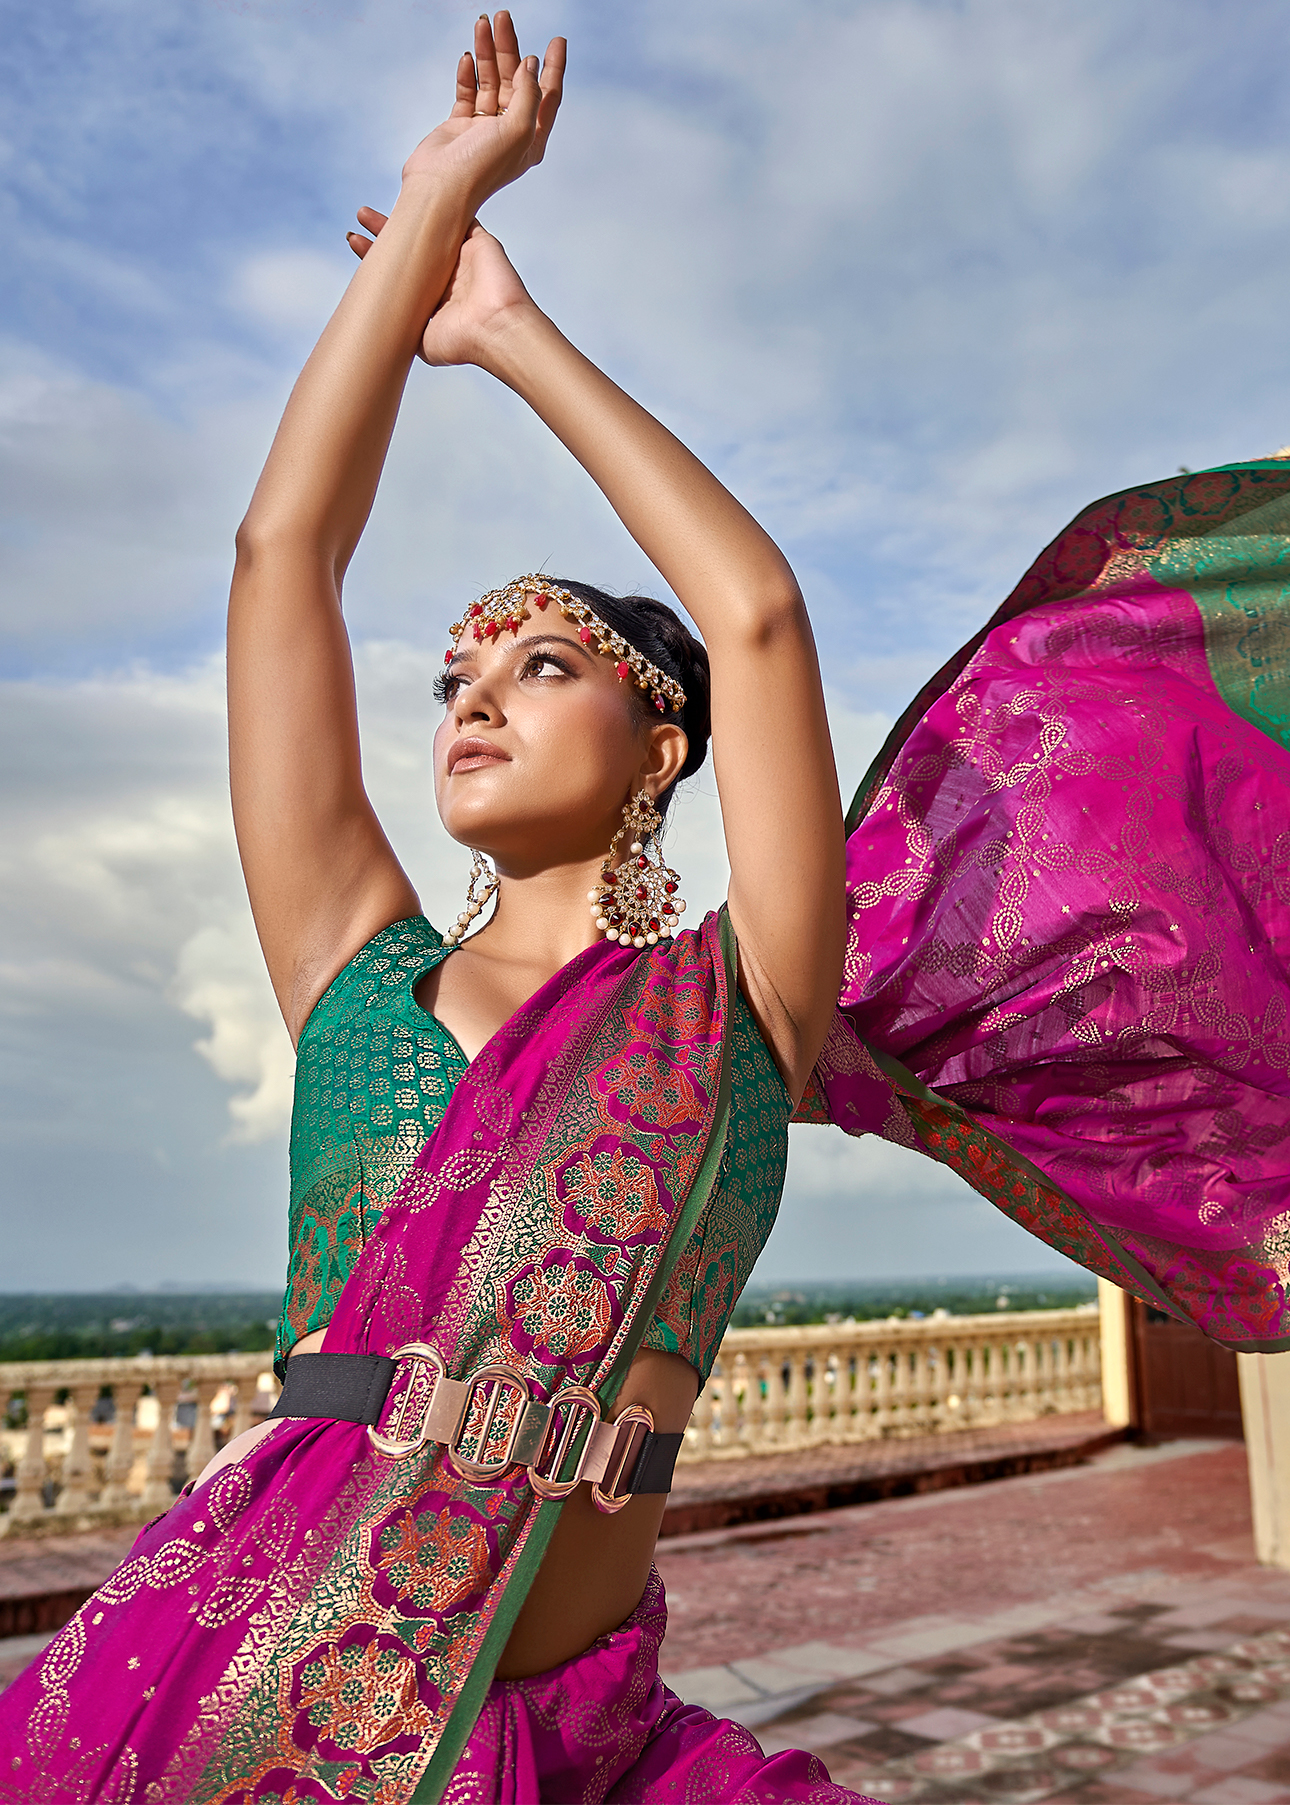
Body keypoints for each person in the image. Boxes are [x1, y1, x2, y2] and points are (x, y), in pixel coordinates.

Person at [4, 11, 1289, 1803]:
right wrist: (435, 192)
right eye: (456, 671)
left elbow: (754, 608)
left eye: (540, 662)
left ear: (659, 743)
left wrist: (512, 334)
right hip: (249, 1714)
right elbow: (277, 555)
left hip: (591, 1748)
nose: (472, 696)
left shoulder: (744, 999)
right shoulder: (354, 977)